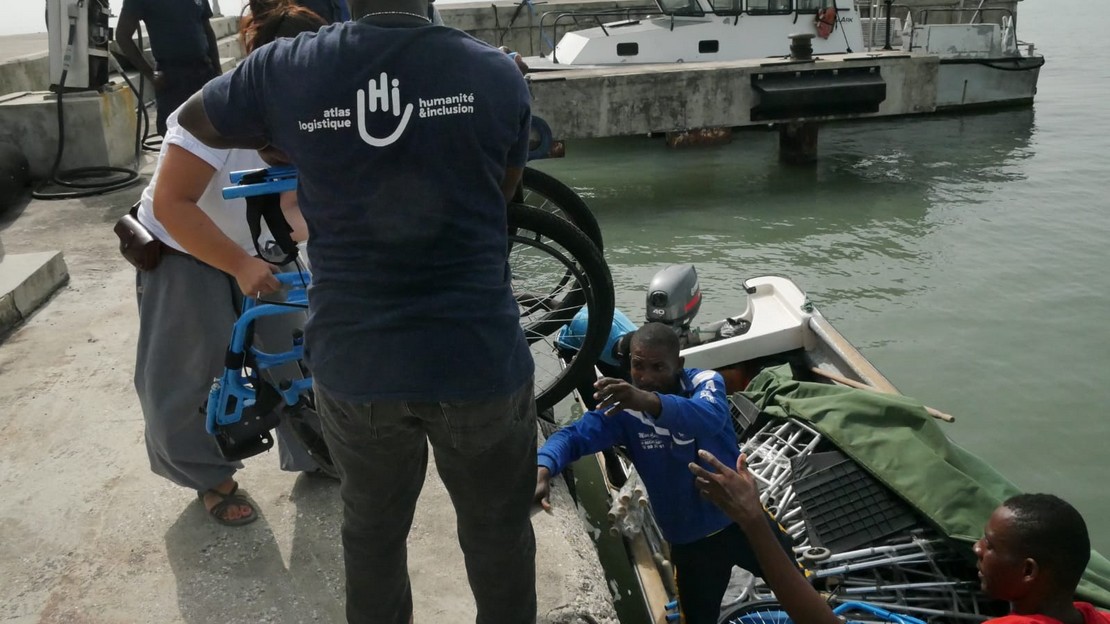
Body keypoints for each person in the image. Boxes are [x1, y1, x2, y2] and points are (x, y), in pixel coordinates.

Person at [176, 1, 537, 622]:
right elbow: (502, 189)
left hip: (355, 363)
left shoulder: (288, 69)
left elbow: (194, 118)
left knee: (371, 533)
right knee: (498, 535)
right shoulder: (494, 73)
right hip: (476, 356)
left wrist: (283, 139)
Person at [132, 2, 328, 527]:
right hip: (182, 244)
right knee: (189, 371)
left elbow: (298, 204)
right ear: (255, 60)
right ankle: (210, 478)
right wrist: (239, 265)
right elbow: (174, 203)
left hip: (262, 241)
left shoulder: (323, 104)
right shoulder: (216, 108)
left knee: (297, 353)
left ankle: (319, 450)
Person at [534, 322, 795, 624]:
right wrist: (545, 464)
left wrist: (647, 401)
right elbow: (573, 437)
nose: (646, 378)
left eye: (658, 367)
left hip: (744, 523)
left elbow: (707, 419)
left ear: (679, 364)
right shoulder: (624, 413)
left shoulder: (705, 383)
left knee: (802, 593)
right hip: (690, 544)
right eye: (637, 366)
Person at [689, 453, 1110, 624]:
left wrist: (753, 518)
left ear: (1029, 571)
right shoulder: (1093, 616)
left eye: (991, 545)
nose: (976, 550)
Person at [115, 0, 223, 137]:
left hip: (204, 72)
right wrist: (150, 74)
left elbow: (207, 28)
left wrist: (217, 71)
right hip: (172, 78)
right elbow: (122, 36)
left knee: (214, 131)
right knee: (175, 135)